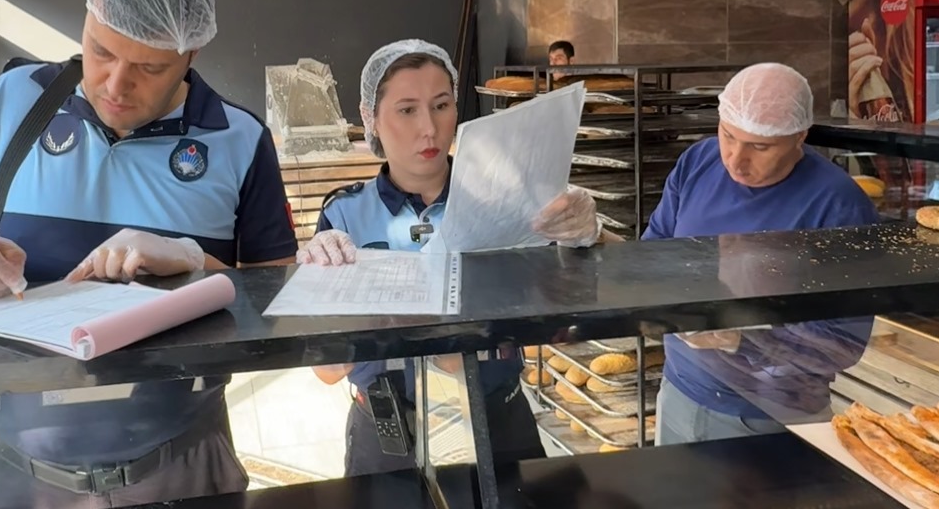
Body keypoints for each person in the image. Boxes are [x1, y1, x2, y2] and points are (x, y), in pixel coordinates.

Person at [0, 0, 297, 508]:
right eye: (100, 51)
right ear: (85, 21)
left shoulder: (238, 139)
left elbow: (279, 301)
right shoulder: (14, 102)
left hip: (183, 463)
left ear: (191, 54)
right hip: (9, 469)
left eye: (149, 68)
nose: (116, 84)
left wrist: (196, 261)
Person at [297, 39, 606, 477]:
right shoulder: (345, 215)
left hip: (499, 426)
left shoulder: (506, 199)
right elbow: (327, 371)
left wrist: (587, 236)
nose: (429, 128)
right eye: (407, 110)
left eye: (441, 105)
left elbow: (571, 317)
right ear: (371, 118)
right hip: (388, 439)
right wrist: (319, 291)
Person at [641, 62, 879, 446]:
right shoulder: (699, 162)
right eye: (728, 135)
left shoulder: (838, 206)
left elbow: (843, 342)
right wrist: (593, 239)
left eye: (760, 146)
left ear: (799, 136)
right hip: (679, 391)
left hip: (768, 415)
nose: (736, 159)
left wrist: (741, 337)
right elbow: (653, 256)